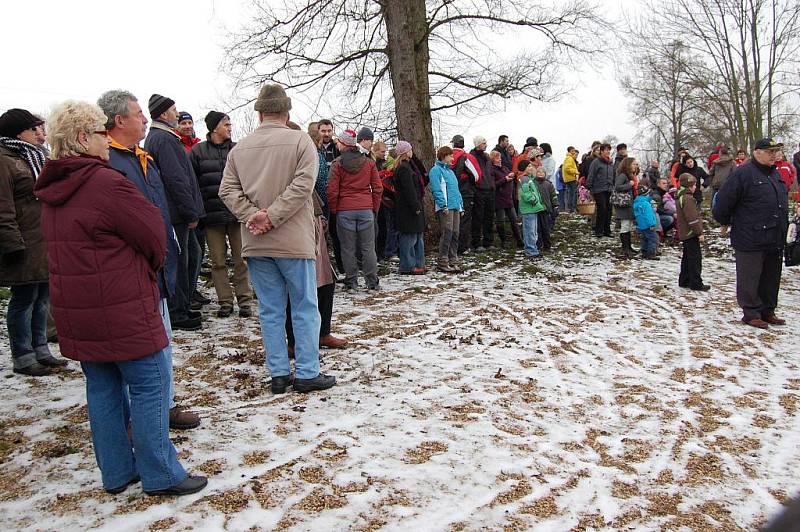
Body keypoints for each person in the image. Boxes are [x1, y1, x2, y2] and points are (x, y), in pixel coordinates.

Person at [34, 100, 206, 497]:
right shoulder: (105, 182)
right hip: (123, 304)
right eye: (99, 132)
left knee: (103, 387)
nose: (106, 141)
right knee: (151, 383)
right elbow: (153, 235)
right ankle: (161, 473)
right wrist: (149, 268)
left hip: (80, 311)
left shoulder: (52, 190)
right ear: (81, 138)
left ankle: (116, 471)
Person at [220, 83, 335, 393]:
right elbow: (303, 187)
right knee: (304, 306)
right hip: (292, 241)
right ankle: (308, 372)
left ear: (259, 113)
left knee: (271, 309)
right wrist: (270, 216)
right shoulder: (300, 141)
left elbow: (227, 191)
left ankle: (279, 374)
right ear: (286, 112)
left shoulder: (239, 148)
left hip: (256, 241)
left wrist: (252, 216)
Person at [97, 89, 200, 430]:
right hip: (135, 273)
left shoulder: (141, 157)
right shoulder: (109, 163)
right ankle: (143, 416)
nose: (145, 119)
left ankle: (166, 404)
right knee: (142, 353)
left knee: (163, 343)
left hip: (159, 269)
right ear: (119, 120)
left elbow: (158, 210)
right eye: (138, 113)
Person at [0, 108, 67, 376]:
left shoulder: (35, 156)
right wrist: (12, 243)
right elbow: (3, 207)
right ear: (18, 132)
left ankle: (40, 347)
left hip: (44, 240)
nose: (38, 133)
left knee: (42, 298)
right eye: (32, 128)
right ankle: (22, 354)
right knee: (24, 299)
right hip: (23, 241)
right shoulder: (5, 160)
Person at [713, 138, 789, 329]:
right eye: (770, 152)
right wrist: (732, 222)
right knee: (750, 277)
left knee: (771, 277)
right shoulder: (743, 174)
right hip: (750, 237)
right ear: (757, 152)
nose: (774, 155)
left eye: (776, 152)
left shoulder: (775, 174)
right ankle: (751, 313)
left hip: (774, 236)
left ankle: (767, 311)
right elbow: (722, 204)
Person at [144, 94, 205, 331]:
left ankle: (182, 304)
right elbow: (176, 179)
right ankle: (178, 310)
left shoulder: (162, 138)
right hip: (177, 213)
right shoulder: (164, 140)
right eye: (173, 110)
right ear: (162, 114)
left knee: (191, 256)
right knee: (182, 260)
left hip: (176, 211)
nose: (177, 114)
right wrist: (190, 212)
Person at [190, 111, 253, 318]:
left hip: (236, 215)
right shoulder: (197, 152)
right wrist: (199, 213)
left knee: (241, 259)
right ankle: (225, 302)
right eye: (226, 124)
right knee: (217, 262)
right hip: (211, 217)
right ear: (215, 127)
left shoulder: (238, 150)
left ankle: (245, 301)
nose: (230, 127)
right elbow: (193, 185)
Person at [286, 190, 348, 353]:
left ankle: (323, 333)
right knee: (296, 291)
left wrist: (321, 219)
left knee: (326, 284)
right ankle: (294, 343)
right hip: (295, 233)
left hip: (314, 230)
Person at [327, 129, 382, 291]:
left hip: (345, 210)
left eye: (338, 141)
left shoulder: (337, 164)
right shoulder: (369, 163)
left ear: (344, 144)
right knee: (368, 247)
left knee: (347, 248)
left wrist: (335, 209)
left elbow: (332, 191)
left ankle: (351, 281)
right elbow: (377, 188)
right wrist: (373, 208)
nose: (336, 143)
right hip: (365, 209)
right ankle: (372, 281)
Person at [393, 141, 426, 274]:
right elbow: (409, 190)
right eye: (410, 150)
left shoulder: (410, 166)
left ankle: (418, 263)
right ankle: (407, 265)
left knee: (417, 237)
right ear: (406, 152)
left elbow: (423, 175)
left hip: (413, 206)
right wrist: (415, 206)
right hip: (408, 209)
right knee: (409, 238)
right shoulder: (404, 168)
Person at [429, 146, 463, 272]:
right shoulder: (436, 170)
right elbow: (437, 189)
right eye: (451, 156)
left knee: (455, 234)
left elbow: (456, 190)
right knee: (447, 233)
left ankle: (453, 259)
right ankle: (443, 261)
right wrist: (443, 205)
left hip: (455, 207)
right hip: (446, 208)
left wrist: (461, 206)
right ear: (444, 156)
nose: (453, 158)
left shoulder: (450, 172)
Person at [676, 173, 709, 291]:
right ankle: (696, 282)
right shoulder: (688, 199)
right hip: (690, 233)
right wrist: (699, 232)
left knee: (687, 258)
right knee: (695, 259)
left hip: (685, 233)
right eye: (694, 185)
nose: (695, 187)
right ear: (689, 185)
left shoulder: (680, 197)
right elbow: (692, 218)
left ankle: (684, 280)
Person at [451, 135, 480, 254]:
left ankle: (452, 246)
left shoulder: (447, 156)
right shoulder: (466, 157)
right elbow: (477, 175)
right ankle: (462, 247)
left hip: (451, 192)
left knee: (452, 221)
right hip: (465, 191)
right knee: (465, 220)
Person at [491, 150, 522, 248]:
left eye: (499, 157)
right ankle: (504, 241)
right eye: (497, 157)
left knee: (514, 220)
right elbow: (493, 185)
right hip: (499, 199)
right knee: (500, 221)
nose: (499, 159)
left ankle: (520, 240)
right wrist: (505, 179)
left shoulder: (504, 168)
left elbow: (510, 175)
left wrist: (512, 175)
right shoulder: (492, 170)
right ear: (493, 159)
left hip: (508, 198)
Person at [470, 136, 495, 250]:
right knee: (478, 217)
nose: (486, 145)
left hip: (489, 189)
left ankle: (488, 241)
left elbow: (490, 172)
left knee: (489, 217)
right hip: (479, 190)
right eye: (484, 143)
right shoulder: (472, 156)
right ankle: (477, 242)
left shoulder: (486, 157)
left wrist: (492, 185)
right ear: (478, 144)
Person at [586, 142, 615, 237]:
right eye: (606, 150)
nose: (608, 152)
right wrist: (589, 187)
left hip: (609, 189)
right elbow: (591, 174)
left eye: (609, 150)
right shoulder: (596, 162)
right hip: (598, 189)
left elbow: (613, 175)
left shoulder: (611, 163)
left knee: (609, 209)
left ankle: (607, 230)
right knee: (602, 209)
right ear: (601, 151)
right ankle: (599, 230)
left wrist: (613, 186)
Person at [518, 160, 545, 259]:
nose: (531, 168)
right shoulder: (524, 179)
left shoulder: (529, 179)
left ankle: (533, 249)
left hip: (532, 209)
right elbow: (526, 194)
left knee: (533, 231)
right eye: (528, 166)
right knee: (530, 231)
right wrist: (533, 200)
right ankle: (530, 250)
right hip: (528, 208)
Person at [615, 157, 639, 259]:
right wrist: (629, 185)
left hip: (628, 203)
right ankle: (625, 248)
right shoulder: (623, 175)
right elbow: (618, 187)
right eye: (634, 164)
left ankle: (628, 247)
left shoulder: (630, 176)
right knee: (625, 225)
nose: (636, 166)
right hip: (623, 203)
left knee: (628, 225)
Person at [633, 180, 659, 260]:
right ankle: (651, 253)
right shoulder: (646, 204)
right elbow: (648, 215)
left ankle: (644, 252)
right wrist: (652, 224)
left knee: (644, 239)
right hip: (648, 225)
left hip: (641, 225)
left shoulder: (636, 203)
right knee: (653, 239)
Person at [562, 146, 580, 213]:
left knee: (571, 193)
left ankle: (571, 208)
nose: (574, 152)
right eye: (572, 151)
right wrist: (576, 172)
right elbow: (567, 168)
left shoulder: (569, 158)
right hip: (571, 178)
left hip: (569, 178)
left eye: (574, 151)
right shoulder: (569, 158)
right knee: (573, 193)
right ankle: (572, 208)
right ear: (569, 151)